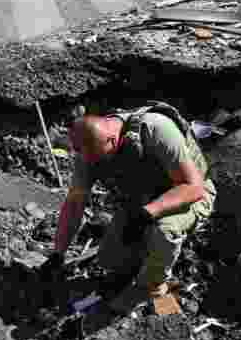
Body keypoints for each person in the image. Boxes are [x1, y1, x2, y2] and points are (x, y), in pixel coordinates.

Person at [41, 103, 215, 314]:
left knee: (163, 230)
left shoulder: (156, 129)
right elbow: (75, 201)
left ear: (113, 141)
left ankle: (156, 292)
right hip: (142, 200)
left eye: (98, 158)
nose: (92, 163)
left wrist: (149, 212)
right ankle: (140, 266)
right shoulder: (88, 150)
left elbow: (193, 187)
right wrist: (58, 253)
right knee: (108, 259)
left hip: (189, 194)